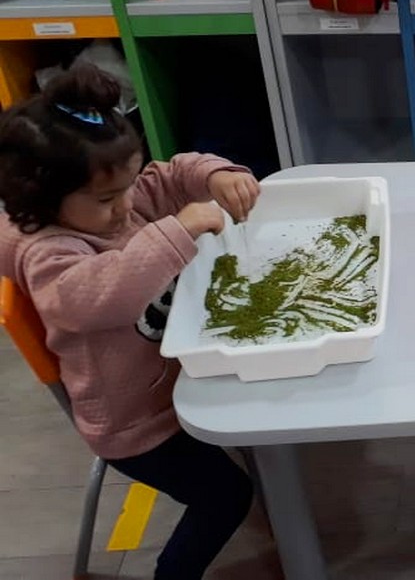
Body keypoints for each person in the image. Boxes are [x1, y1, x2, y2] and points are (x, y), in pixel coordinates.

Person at [0, 65, 260, 577]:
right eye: (106, 199)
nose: (126, 205)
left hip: (179, 382)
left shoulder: (117, 195)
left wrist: (216, 175)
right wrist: (176, 229)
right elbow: (101, 294)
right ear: (45, 198)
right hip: (137, 427)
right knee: (228, 497)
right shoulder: (51, 254)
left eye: (128, 185)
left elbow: (170, 174)